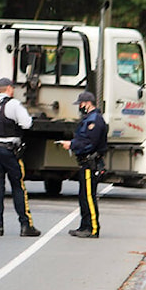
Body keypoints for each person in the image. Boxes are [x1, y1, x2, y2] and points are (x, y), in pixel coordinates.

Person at [0, 77, 40, 237]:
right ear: (9, 89)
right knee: (18, 187)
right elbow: (27, 124)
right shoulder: (13, 104)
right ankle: (25, 225)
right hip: (9, 151)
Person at [59, 91, 108, 238]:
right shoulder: (89, 119)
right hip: (85, 163)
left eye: (81, 104)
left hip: (90, 163)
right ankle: (84, 226)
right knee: (83, 196)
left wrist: (72, 144)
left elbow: (89, 143)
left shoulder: (95, 121)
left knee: (89, 197)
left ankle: (93, 228)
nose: (79, 107)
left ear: (87, 103)